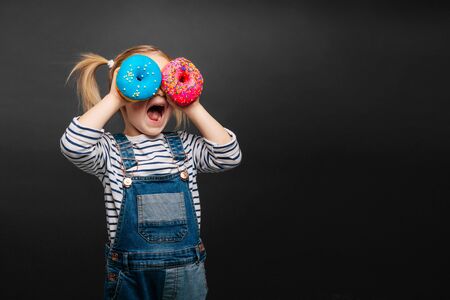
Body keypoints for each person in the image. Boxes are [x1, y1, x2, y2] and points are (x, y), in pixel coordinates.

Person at [59, 44, 242, 299]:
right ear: (124, 92)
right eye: (145, 80)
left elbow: (229, 156)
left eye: (165, 83)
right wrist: (114, 97)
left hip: (187, 276)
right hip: (131, 279)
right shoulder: (109, 151)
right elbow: (73, 146)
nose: (157, 90)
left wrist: (192, 104)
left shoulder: (185, 146)